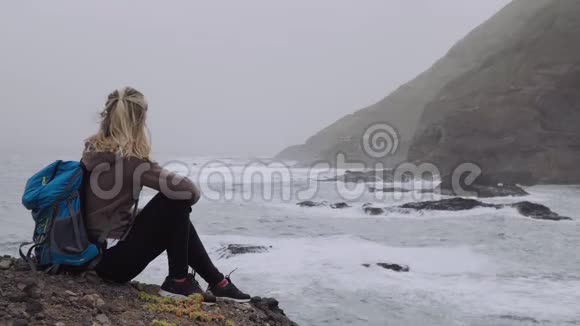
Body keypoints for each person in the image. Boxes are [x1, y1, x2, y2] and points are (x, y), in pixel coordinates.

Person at [81, 86, 250, 303]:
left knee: (171, 210)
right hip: (113, 264)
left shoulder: (91, 153)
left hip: (92, 254)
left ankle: (217, 283)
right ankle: (179, 281)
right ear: (138, 120)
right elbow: (189, 191)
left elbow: (102, 211)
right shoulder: (131, 160)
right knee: (175, 203)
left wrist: (144, 217)